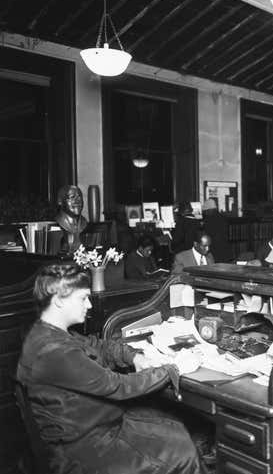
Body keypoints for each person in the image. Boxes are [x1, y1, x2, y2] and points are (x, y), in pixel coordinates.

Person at [15, 264, 204, 474]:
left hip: (87, 428)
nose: (89, 305)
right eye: (82, 298)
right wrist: (174, 367)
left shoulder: (47, 332)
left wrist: (133, 356)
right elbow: (118, 386)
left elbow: (96, 345)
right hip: (83, 449)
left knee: (173, 428)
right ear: (59, 300)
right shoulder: (54, 351)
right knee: (182, 448)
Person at [55, 185, 88, 253]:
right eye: (72, 197)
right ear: (60, 201)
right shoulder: (55, 226)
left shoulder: (85, 224)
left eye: (79, 197)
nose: (77, 201)